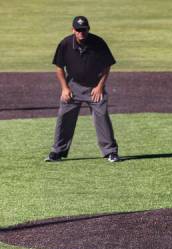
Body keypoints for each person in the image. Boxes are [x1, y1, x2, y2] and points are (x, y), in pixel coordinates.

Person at [46, 16, 120, 163]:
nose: (81, 32)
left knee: (102, 116)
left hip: (94, 86)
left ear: (88, 29)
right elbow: (59, 67)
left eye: (84, 29)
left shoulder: (98, 43)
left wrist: (100, 87)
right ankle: (57, 152)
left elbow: (107, 66)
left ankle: (110, 152)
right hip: (73, 86)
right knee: (64, 116)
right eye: (78, 30)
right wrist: (64, 88)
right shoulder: (65, 44)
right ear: (73, 30)